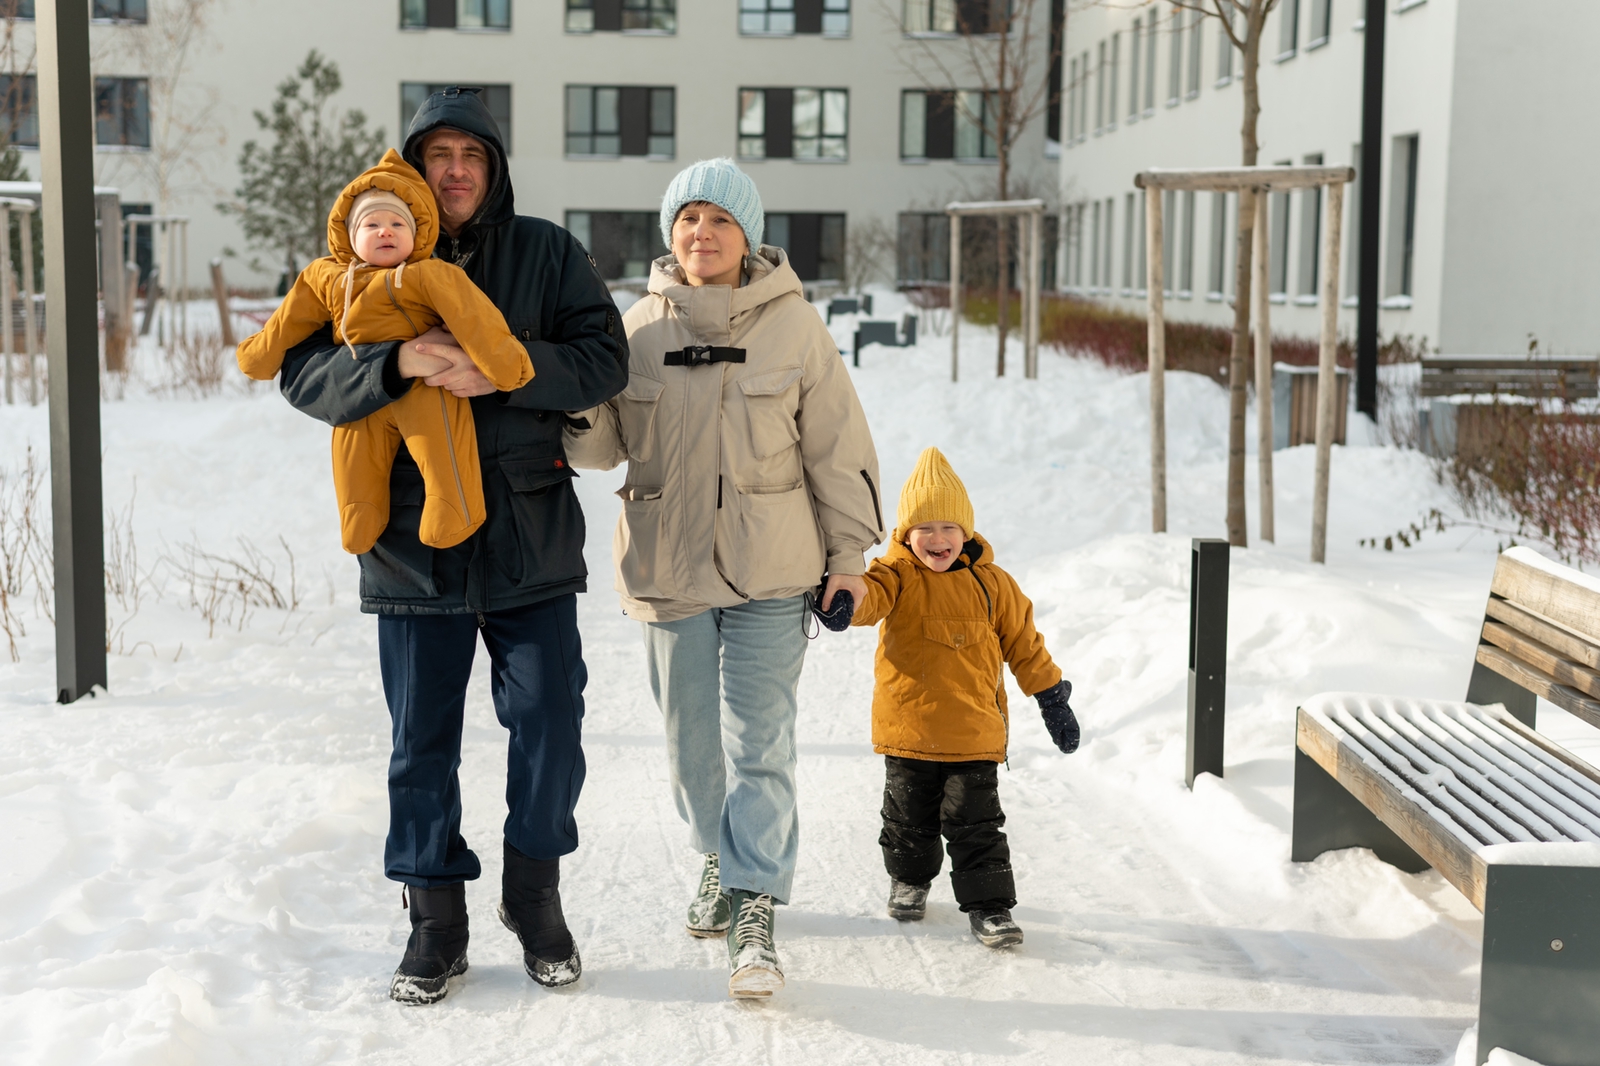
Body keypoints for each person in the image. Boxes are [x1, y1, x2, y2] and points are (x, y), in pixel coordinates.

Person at [275, 87, 629, 1005]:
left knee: (552, 719)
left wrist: (503, 372)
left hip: (528, 533)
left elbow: (604, 355)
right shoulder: (359, 256)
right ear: (413, 168)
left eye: (473, 154)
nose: (457, 169)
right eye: (439, 154)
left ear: (495, 169)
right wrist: (394, 365)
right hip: (407, 541)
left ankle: (533, 893)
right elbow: (301, 373)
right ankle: (435, 920)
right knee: (420, 743)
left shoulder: (546, 251)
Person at [563, 157, 882, 999]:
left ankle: (753, 900)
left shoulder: (795, 328)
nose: (701, 235)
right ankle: (716, 853)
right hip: (668, 564)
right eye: (687, 221)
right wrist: (574, 400)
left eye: (719, 221)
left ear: (748, 237)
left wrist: (848, 558)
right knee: (689, 746)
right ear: (670, 235)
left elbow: (837, 450)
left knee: (761, 742)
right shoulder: (636, 328)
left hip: (773, 569)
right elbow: (602, 451)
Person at [237, 148, 533, 554]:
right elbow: (288, 321)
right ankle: (360, 513)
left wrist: (507, 366)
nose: (385, 231)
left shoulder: (428, 274)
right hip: (363, 386)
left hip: (426, 386)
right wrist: (257, 357)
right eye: (371, 224)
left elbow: (475, 318)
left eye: (397, 223)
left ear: (416, 233)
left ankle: (455, 508)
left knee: (440, 444)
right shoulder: (325, 276)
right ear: (349, 234)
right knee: (354, 453)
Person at [849, 447, 1080, 948]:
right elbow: (868, 601)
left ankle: (991, 908)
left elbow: (1025, 644)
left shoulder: (994, 584)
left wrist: (1050, 696)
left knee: (976, 825)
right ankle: (909, 881)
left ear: (968, 532)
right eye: (924, 528)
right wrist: (844, 598)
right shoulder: (896, 575)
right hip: (909, 732)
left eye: (949, 527)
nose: (938, 540)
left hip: (973, 733)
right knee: (907, 820)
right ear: (905, 536)